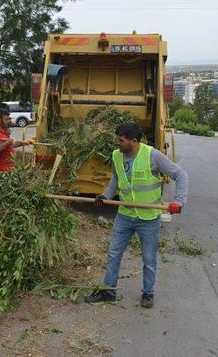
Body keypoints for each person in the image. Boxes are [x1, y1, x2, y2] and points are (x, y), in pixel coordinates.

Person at [84, 122, 188, 309]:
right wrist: (105, 196)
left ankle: (148, 293)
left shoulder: (152, 155)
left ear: (134, 141)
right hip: (125, 214)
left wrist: (178, 201)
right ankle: (108, 291)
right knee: (114, 253)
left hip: (148, 218)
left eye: (121, 140)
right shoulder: (117, 155)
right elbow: (116, 178)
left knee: (148, 259)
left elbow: (180, 175)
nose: (118, 143)